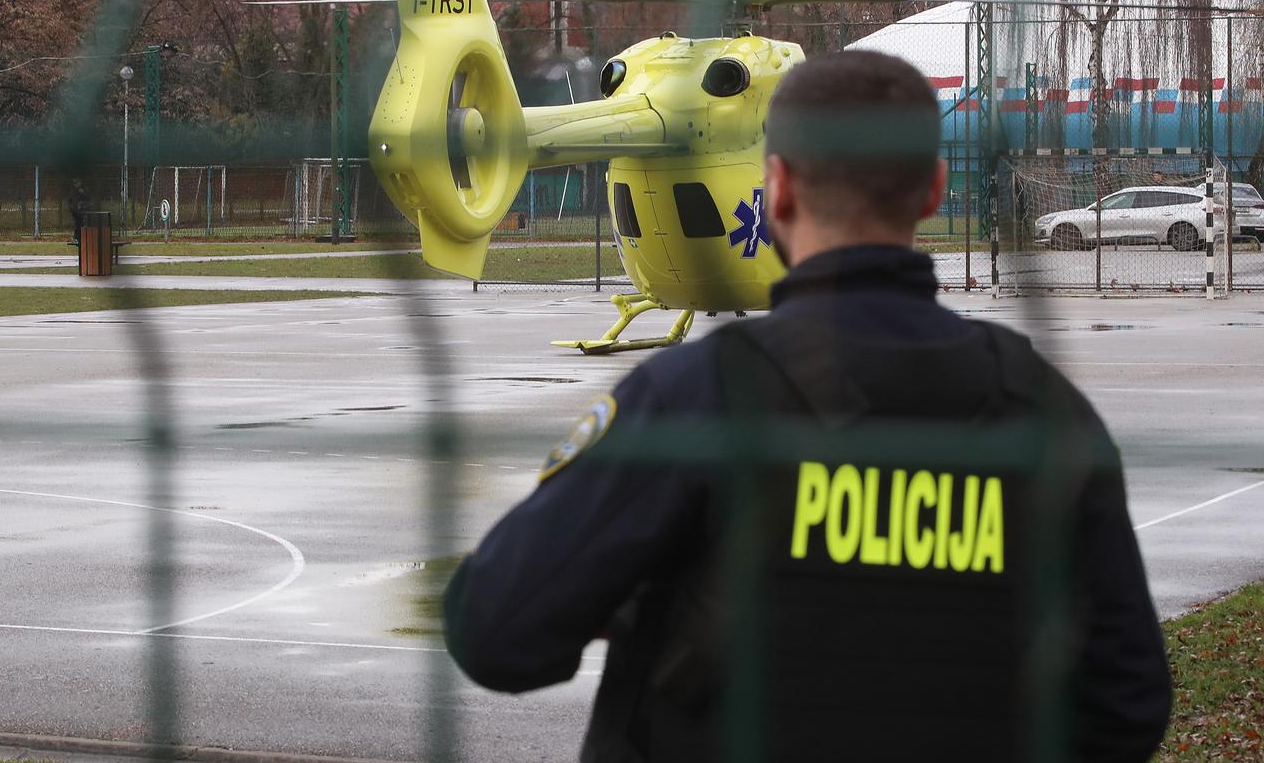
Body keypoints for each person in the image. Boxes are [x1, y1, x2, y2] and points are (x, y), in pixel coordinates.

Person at [443, 51, 1171, 762]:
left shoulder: (695, 401)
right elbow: (1127, 704)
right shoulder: (1038, 410)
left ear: (778, 189)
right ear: (933, 191)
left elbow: (497, 634)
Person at [66, 179, 92, 244]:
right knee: (78, 224)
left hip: (83, 211)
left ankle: (81, 237)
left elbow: (89, 198)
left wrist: (83, 194)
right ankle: (76, 237)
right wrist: (72, 209)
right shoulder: (73, 191)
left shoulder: (84, 190)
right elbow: (70, 200)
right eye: (75, 183)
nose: (76, 184)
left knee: (82, 224)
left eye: (77, 183)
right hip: (76, 211)